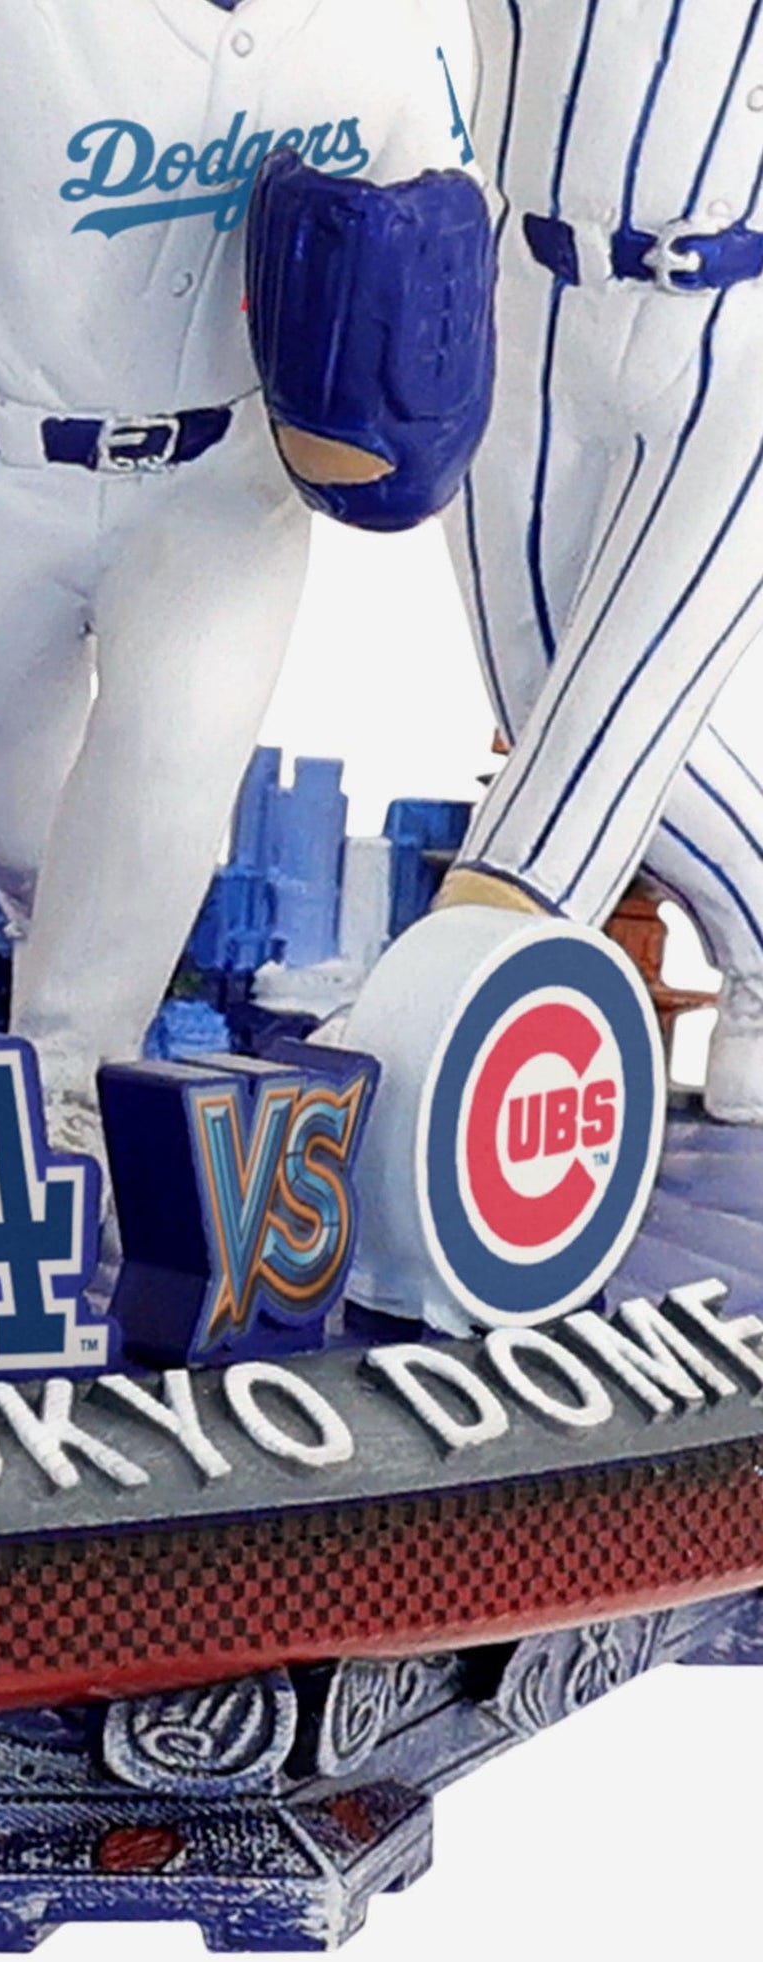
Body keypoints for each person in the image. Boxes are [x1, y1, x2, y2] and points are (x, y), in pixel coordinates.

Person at [0, 0, 484, 1174]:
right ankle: (78, 997)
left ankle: (61, 1087)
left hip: (222, 481)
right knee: (17, 834)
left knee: (168, 758)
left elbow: (440, 246)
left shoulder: (396, 22)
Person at [447, 0, 763, 1122]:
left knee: (613, 712)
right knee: (543, 703)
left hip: (738, 327)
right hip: (521, 294)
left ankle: (441, 1021)